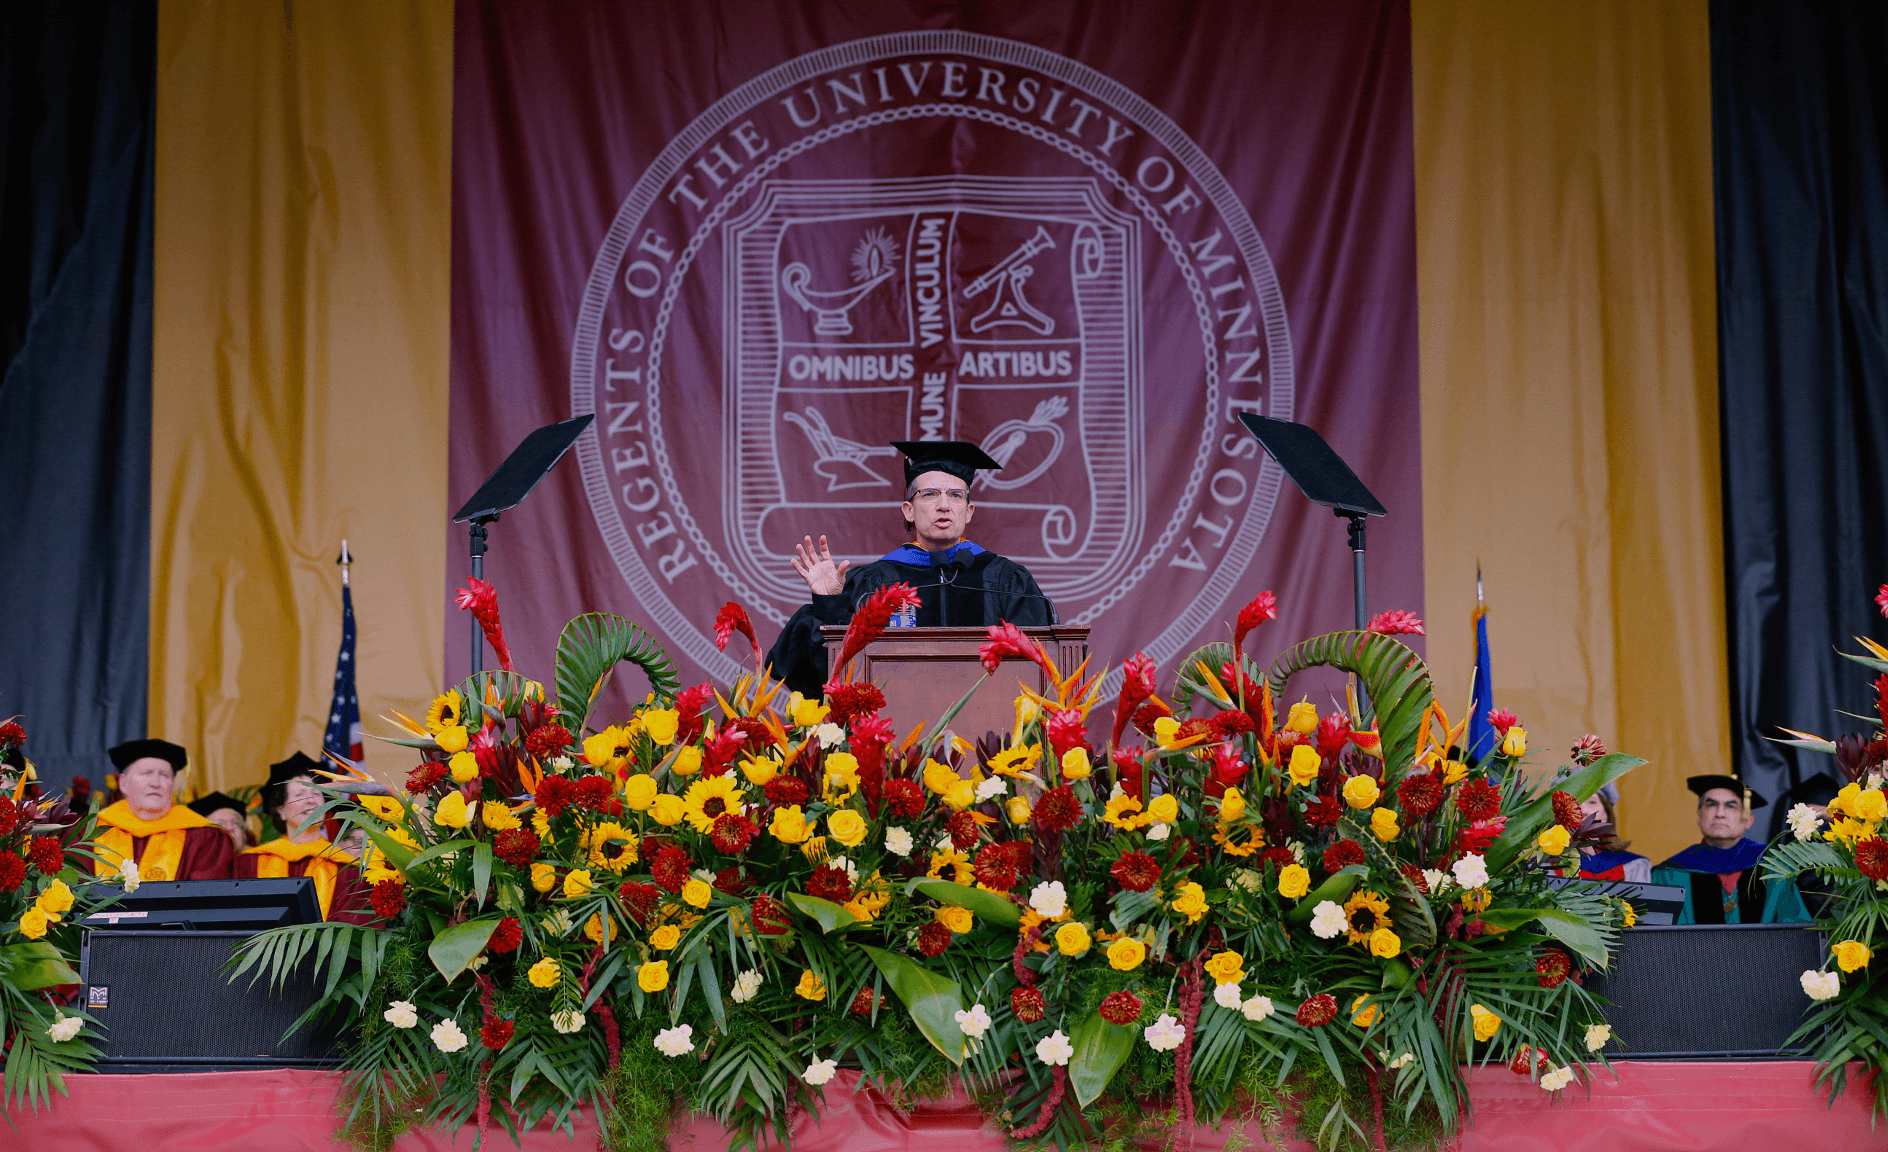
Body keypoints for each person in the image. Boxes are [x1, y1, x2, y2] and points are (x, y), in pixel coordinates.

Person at [765, 440, 1055, 698]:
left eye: (955, 495)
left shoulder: (1005, 580)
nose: (944, 506)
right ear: (908, 510)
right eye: (929, 494)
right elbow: (824, 677)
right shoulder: (873, 581)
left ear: (968, 511)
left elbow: (1041, 669)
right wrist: (830, 604)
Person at [1650, 774, 1809, 924]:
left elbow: (1794, 929)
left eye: (1730, 806)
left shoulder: (1775, 867)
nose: (1720, 814)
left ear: (1748, 819)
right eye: (1711, 805)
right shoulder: (1668, 873)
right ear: (1699, 816)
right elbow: (1660, 939)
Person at [233, 752, 372, 923]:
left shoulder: (347, 868)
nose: (311, 801)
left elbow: (355, 924)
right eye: (300, 795)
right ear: (281, 810)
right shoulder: (250, 863)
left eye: (316, 794)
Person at [94, 739, 234, 881]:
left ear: (172, 784)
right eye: (146, 773)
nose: (155, 783)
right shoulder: (91, 830)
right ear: (123, 783)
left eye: (164, 775)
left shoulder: (204, 836)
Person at [1576, 783, 1651, 882]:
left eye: (1592, 802)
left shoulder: (1634, 866)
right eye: (1575, 804)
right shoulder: (1550, 865)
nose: (1584, 811)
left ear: (1606, 814)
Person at [188, 790, 252, 852]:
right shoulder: (189, 862)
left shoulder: (257, 860)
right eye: (220, 824)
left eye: (235, 823)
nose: (230, 828)